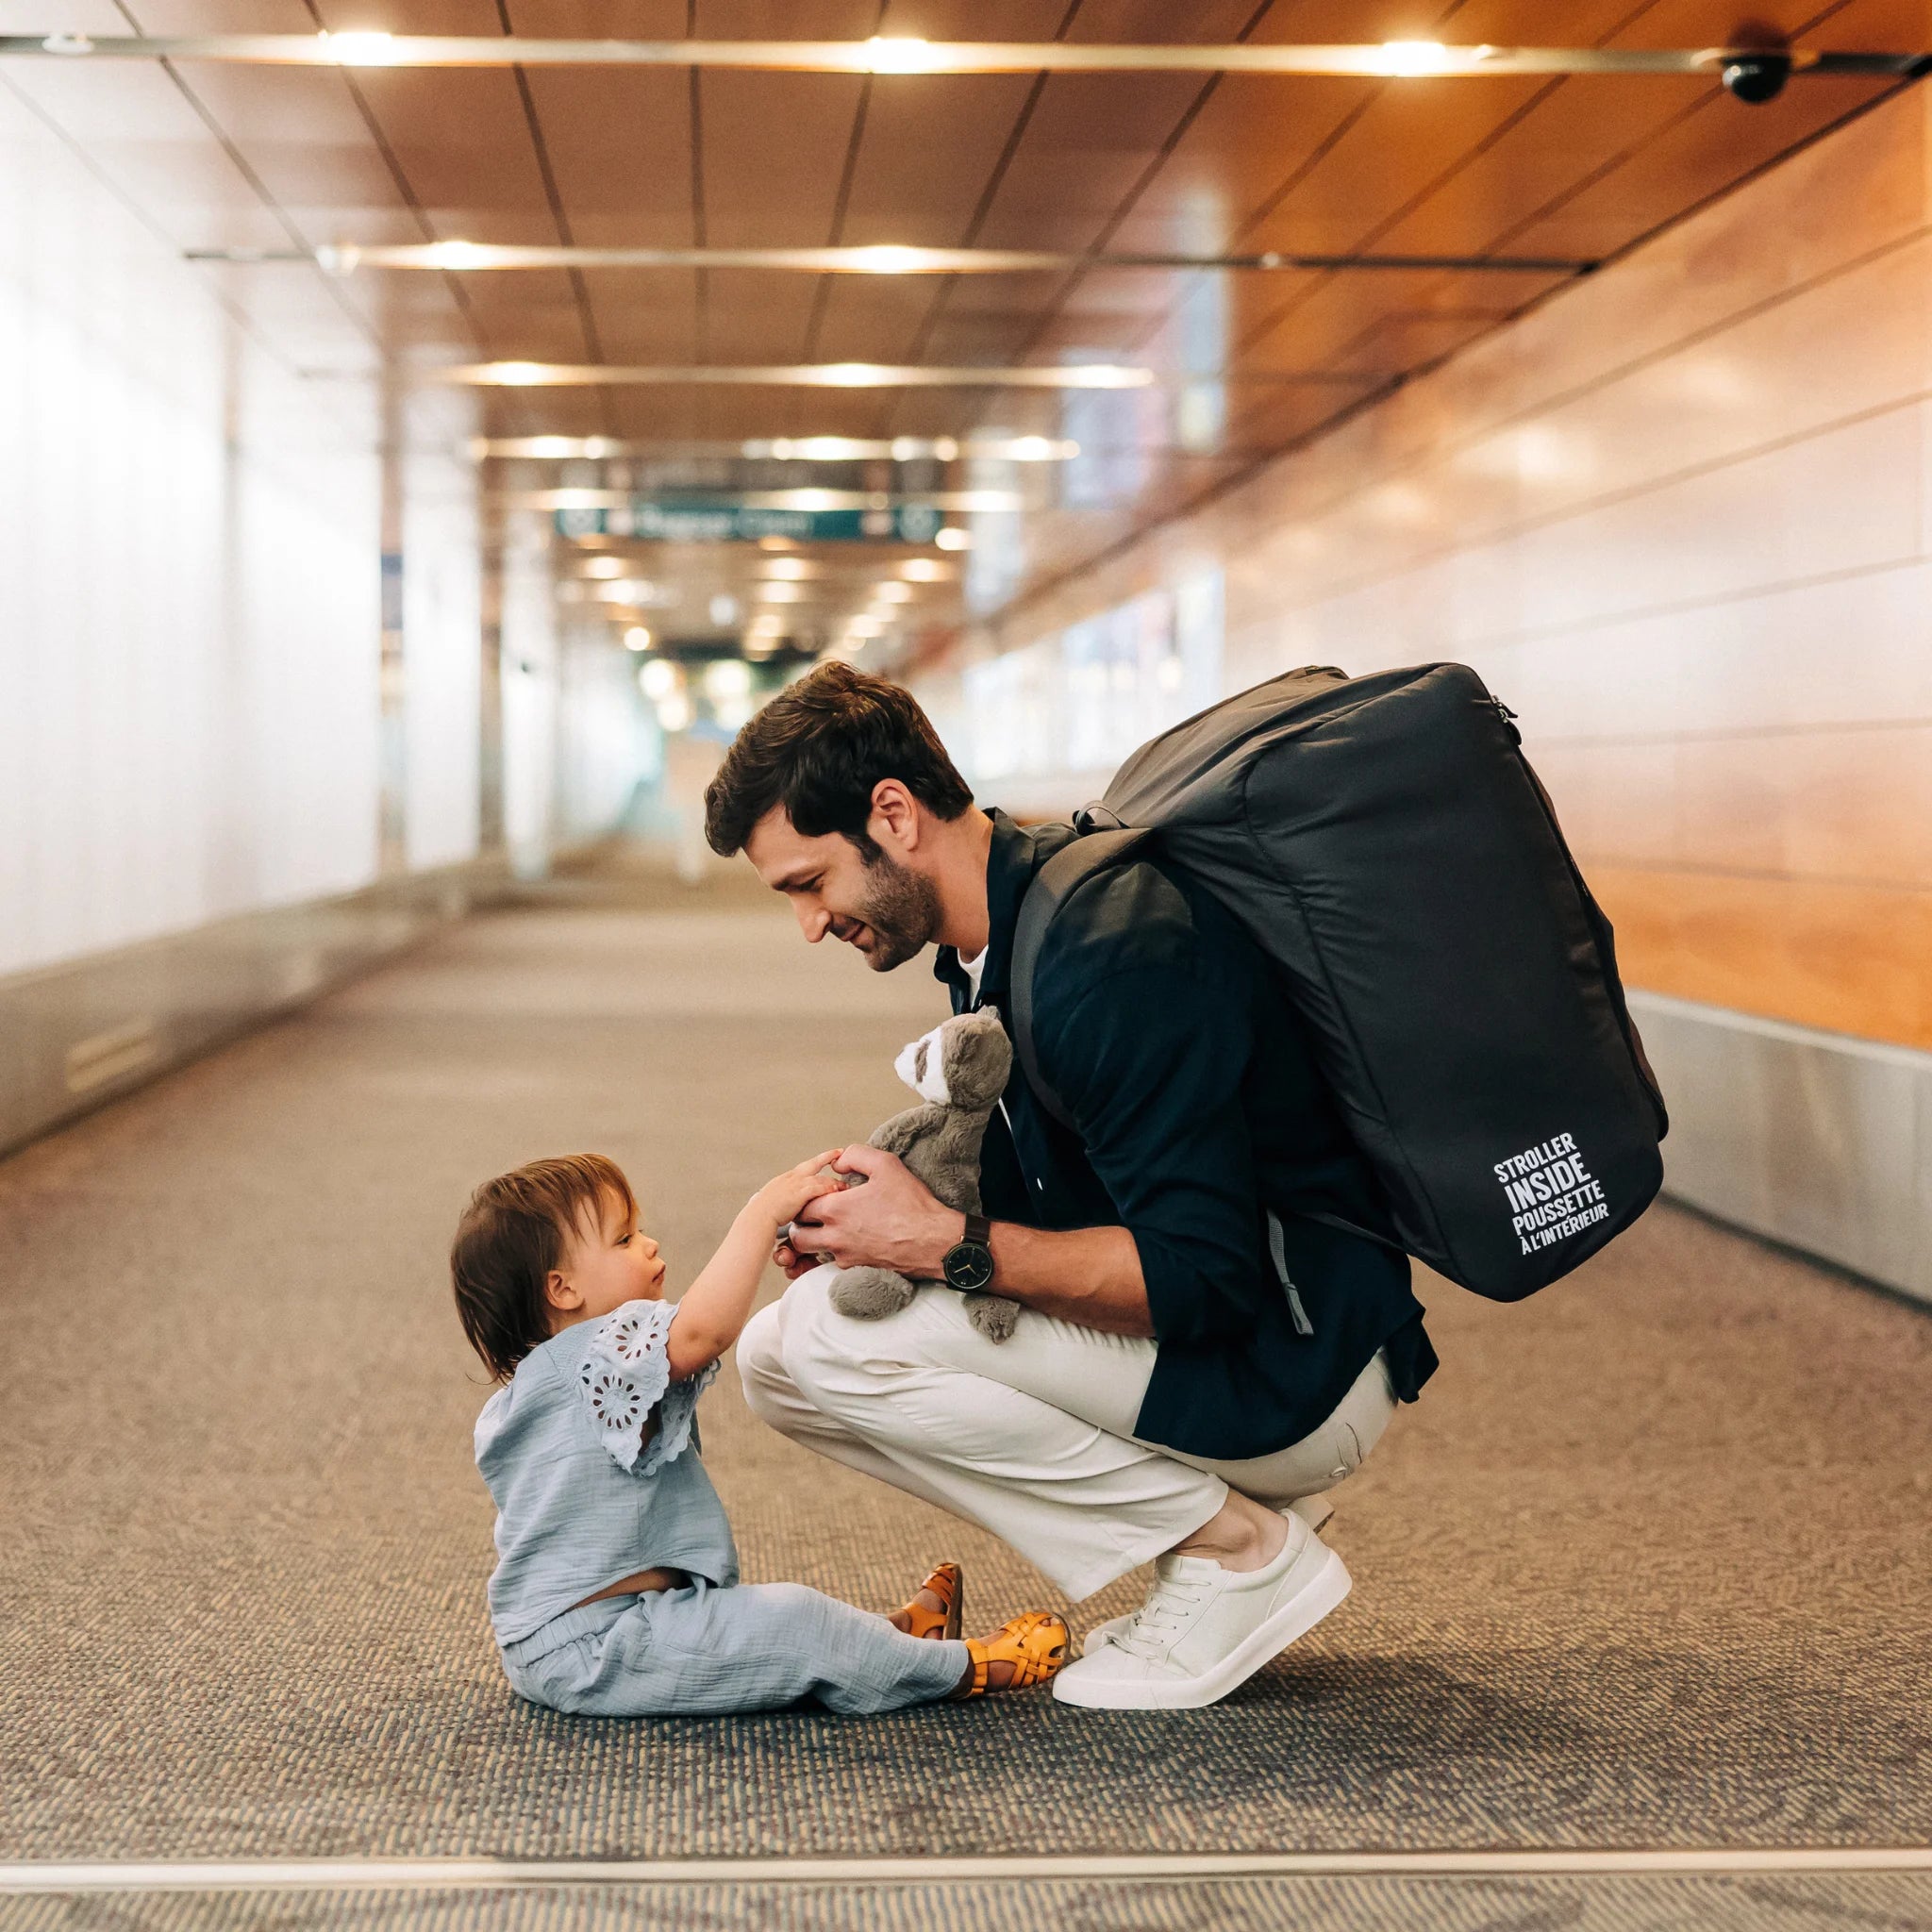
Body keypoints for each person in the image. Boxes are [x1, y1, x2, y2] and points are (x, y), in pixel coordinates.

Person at [707, 663, 1439, 1711]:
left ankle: (1235, 1547)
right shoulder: (1006, 934)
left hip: (1300, 1363)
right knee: (782, 1351)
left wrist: (936, 1242)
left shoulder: (1106, 952)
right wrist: (886, 1213)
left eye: (808, 881)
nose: (810, 923)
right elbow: (1069, 1187)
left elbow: (1202, 1276)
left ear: (893, 814)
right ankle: (1215, 1532)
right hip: (1244, 1345)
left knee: (823, 1340)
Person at [450, 1149, 1070, 1716]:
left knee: (774, 1626)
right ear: (563, 1289)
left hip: (586, 1638)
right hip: (603, 1645)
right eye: (624, 1238)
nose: (649, 1243)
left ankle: (888, 1640)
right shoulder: (593, 1353)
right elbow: (702, 1332)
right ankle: (966, 1666)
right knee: (793, 1622)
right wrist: (759, 1214)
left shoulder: (532, 1393)